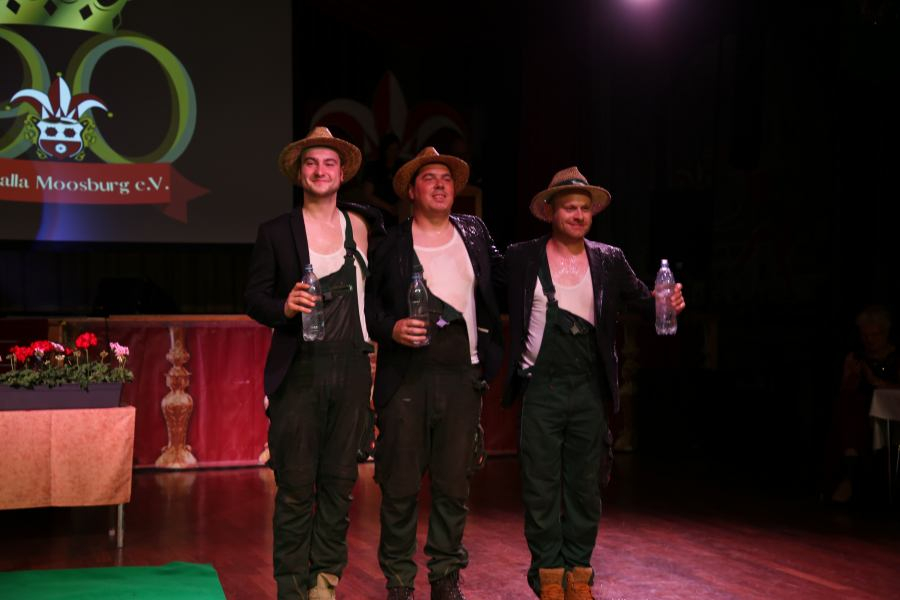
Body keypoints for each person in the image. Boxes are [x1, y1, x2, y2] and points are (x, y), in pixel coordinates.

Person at [502, 167, 685, 600]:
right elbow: (484, 290)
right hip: (541, 387)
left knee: (585, 486)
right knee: (541, 486)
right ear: (550, 211)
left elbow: (644, 301)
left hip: (587, 388)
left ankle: (579, 574)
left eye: (584, 208)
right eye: (569, 207)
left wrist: (667, 302)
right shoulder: (522, 257)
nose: (578, 215)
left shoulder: (608, 259)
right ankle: (549, 574)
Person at [245, 127, 384, 600]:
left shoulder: (362, 228)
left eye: (329, 163)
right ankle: (290, 585)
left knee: (340, 483)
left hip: (351, 367)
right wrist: (283, 307)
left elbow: (375, 300)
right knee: (295, 485)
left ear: (342, 174)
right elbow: (253, 298)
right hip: (299, 369)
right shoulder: (276, 232)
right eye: (311, 163)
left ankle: (325, 580)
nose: (320, 171)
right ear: (299, 173)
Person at [365, 147, 504, 600]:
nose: (441, 184)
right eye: (429, 178)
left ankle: (445, 576)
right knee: (400, 486)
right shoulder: (391, 244)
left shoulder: (474, 233)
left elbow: (505, 280)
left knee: (453, 483)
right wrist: (392, 328)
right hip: (407, 378)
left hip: (462, 377)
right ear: (411, 191)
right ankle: (399, 582)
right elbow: (370, 309)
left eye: (447, 177)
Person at [830, 305, 900, 503]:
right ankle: (849, 474)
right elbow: (845, 391)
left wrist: (877, 382)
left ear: (885, 333)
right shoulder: (856, 357)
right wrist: (851, 376)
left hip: (889, 415)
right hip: (860, 414)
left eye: (874, 335)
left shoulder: (896, 357)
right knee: (849, 406)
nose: (869, 340)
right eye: (865, 335)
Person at [362, 132, 404, 227]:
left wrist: (398, 207)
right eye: (390, 150)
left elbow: (406, 191)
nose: (393, 153)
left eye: (396, 149)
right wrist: (389, 208)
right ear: (384, 150)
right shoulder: (374, 167)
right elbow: (368, 194)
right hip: (376, 214)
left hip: (397, 215)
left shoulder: (401, 168)